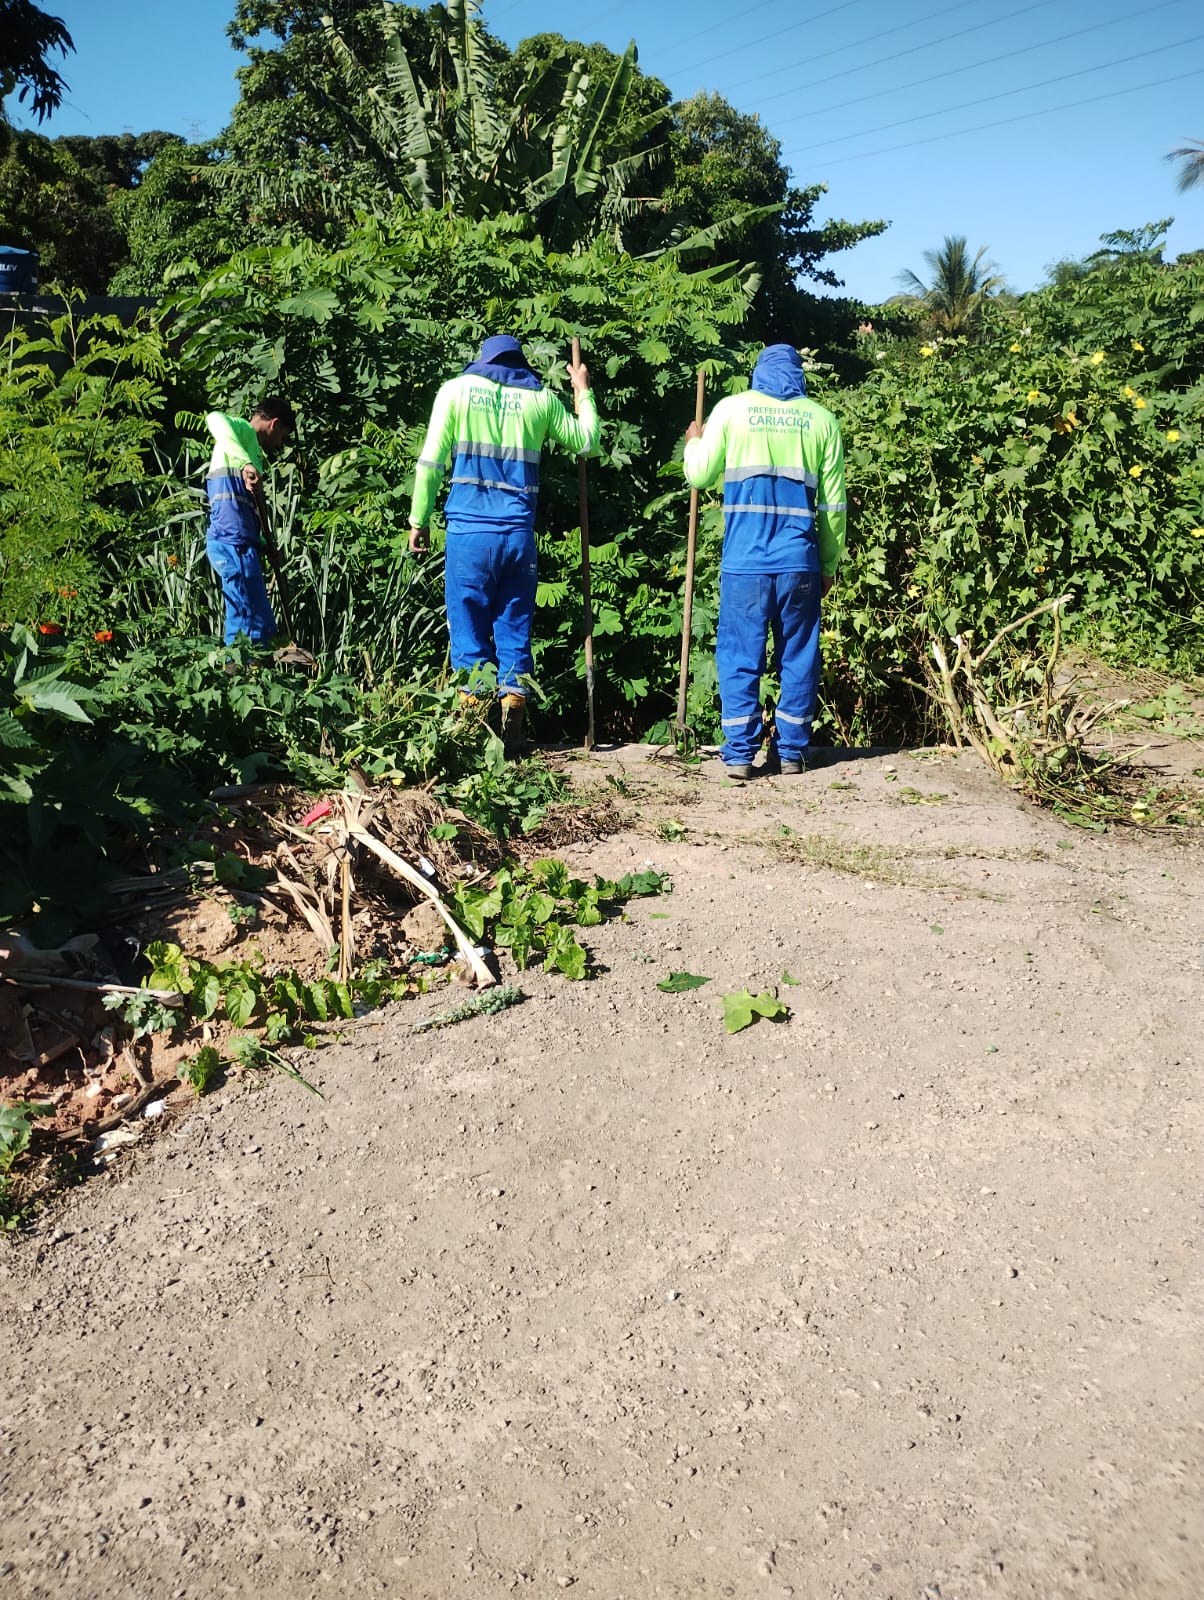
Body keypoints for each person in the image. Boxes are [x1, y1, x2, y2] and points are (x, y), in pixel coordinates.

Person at [408, 335, 600, 753]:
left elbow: (429, 464)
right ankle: (513, 729)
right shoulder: (541, 400)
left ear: (484, 359)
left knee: (469, 631)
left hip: (468, 535)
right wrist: (582, 391)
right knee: (514, 629)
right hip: (517, 536)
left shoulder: (455, 392)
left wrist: (417, 521)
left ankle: (472, 736)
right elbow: (588, 442)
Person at [683, 344, 846, 778]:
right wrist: (828, 565)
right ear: (799, 375)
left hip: (745, 561)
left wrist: (694, 444)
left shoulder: (732, 411)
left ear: (758, 373)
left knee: (739, 654)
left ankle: (739, 754)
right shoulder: (822, 421)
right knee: (798, 654)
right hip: (799, 562)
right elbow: (833, 508)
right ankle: (790, 751)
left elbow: (699, 474)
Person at [204, 398, 295, 645]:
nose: (278, 444)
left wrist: (265, 543)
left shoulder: (252, 452)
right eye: (282, 437)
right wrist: (245, 464)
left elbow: (247, 511)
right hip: (230, 543)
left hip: (245, 545)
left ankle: (260, 677)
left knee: (262, 622)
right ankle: (238, 675)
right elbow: (214, 418)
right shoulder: (242, 431)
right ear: (274, 424)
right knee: (245, 619)